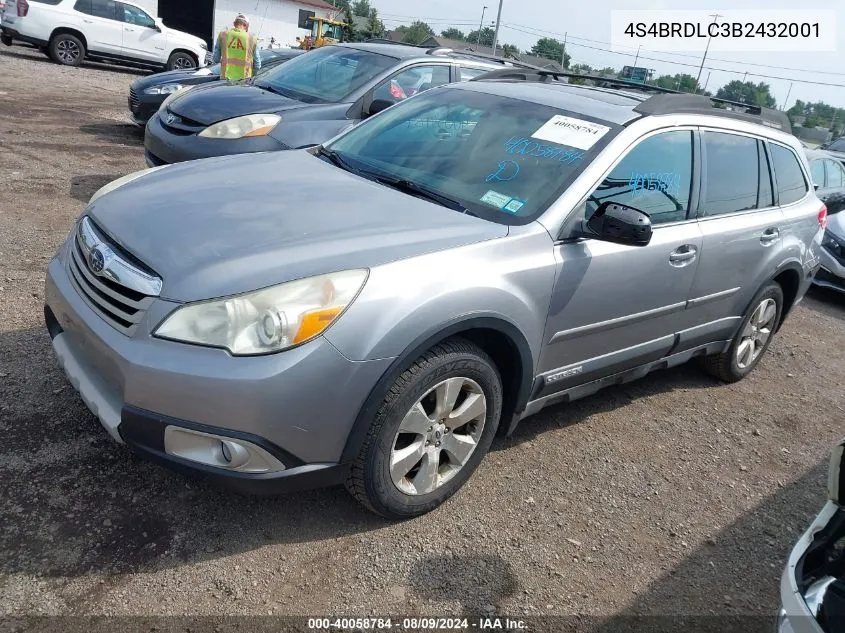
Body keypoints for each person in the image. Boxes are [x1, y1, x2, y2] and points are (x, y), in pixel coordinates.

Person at [212, 13, 261, 80]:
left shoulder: (223, 35)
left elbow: (216, 59)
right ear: (246, 25)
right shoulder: (252, 39)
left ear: (234, 23)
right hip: (244, 81)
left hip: (225, 80)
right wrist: (253, 75)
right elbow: (257, 65)